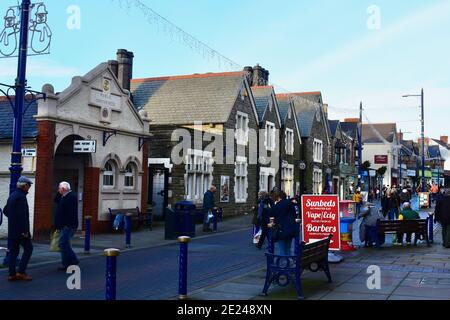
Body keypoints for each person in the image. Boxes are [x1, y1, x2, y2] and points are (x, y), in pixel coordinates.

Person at [3, 176, 34, 281]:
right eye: (29, 185)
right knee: (29, 249)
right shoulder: (21, 197)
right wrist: (24, 231)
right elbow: (22, 216)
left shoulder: (13, 195)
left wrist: (13, 220)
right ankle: (21, 272)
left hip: (12, 230)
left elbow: (6, 210)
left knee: (13, 252)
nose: (29, 187)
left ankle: (12, 274)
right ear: (24, 185)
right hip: (21, 232)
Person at [54, 182, 79, 270]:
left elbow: (70, 213)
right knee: (64, 244)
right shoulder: (63, 197)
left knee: (63, 244)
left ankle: (73, 260)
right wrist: (59, 192)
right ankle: (67, 263)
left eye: (59, 189)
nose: (58, 190)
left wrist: (66, 225)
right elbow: (55, 200)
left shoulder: (70, 197)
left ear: (63, 189)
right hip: (64, 225)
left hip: (67, 225)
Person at [269, 189, 299, 256]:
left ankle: (282, 265)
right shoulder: (290, 203)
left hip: (281, 230)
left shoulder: (276, 206)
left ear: (277, 197)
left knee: (281, 249)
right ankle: (289, 263)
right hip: (291, 229)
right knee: (288, 248)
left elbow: (271, 214)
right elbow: (295, 215)